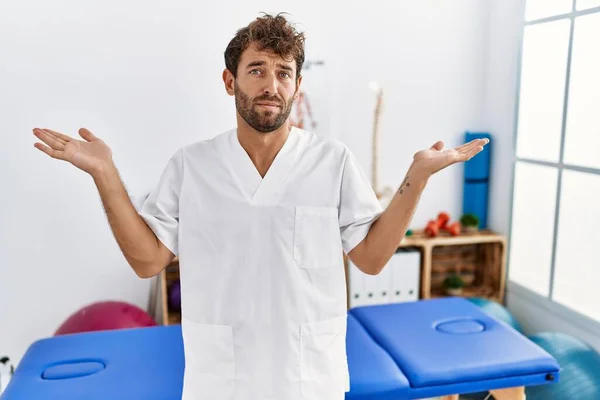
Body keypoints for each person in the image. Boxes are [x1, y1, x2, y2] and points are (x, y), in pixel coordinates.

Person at [32, 13, 488, 400]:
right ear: (230, 81)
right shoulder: (192, 165)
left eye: (283, 72)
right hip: (220, 381)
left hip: (309, 379)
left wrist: (419, 175)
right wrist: (106, 176)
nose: (272, 84)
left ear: (297, 85)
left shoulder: (333, 162)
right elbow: (148, 261)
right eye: (257, 70)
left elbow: (370, 259)